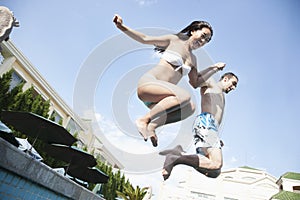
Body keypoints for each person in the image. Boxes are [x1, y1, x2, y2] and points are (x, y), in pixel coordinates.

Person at [113, 14, 216, 147]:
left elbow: (195, 83)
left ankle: (152, 126)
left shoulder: (193, 60)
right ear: (193, 31)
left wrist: (213, 69)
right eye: (202, 36)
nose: (202, 41)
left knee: (190, 108)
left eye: (206, 40)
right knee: (184, 95)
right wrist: (121, 26)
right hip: (149, 83)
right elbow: (145, 39)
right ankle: (144, 120)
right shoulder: (174, 40)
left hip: (159, 98)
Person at [160, 63, 238, 180]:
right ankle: (175, 158)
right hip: (206, 122)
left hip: (211, 128)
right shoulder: (211, 83)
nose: (234, 88)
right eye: (233, 84)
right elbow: (195, 82)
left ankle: (179, 154)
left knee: (215, 171)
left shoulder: (222, 96)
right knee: (216, 163)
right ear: (225, 79)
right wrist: (215, 68)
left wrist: (216, 138)